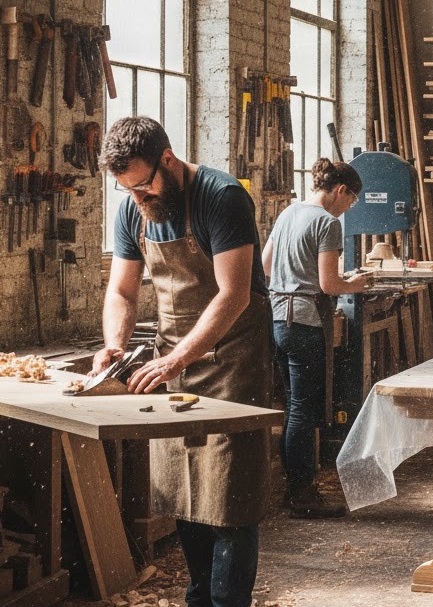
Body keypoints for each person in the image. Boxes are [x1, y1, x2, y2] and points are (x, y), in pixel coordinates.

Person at [93, 117, 273, 607]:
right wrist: (114, 344)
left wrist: (175, 360)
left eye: (144, 185)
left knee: (230, 496)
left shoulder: (222, 196)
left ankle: (226, 602)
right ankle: (199, 598)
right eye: (126, 190)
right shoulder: (134, 211)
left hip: (234, 359)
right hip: (175, 357)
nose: (138, 199)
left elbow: (233, 295)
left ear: (166, 160)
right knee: (185, 492)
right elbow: (123, 291)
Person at [261, 158, 369, 518]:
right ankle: (302, 495)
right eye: (351, 201)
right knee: (303, 413)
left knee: (294, 409)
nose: (347, 209)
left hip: (278, 320)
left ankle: (296, 490)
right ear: (341, 191)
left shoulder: (288, 213)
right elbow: (329, 285)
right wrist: (357, 282)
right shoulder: (327, 223)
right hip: (306, 323)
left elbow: (264, 266)